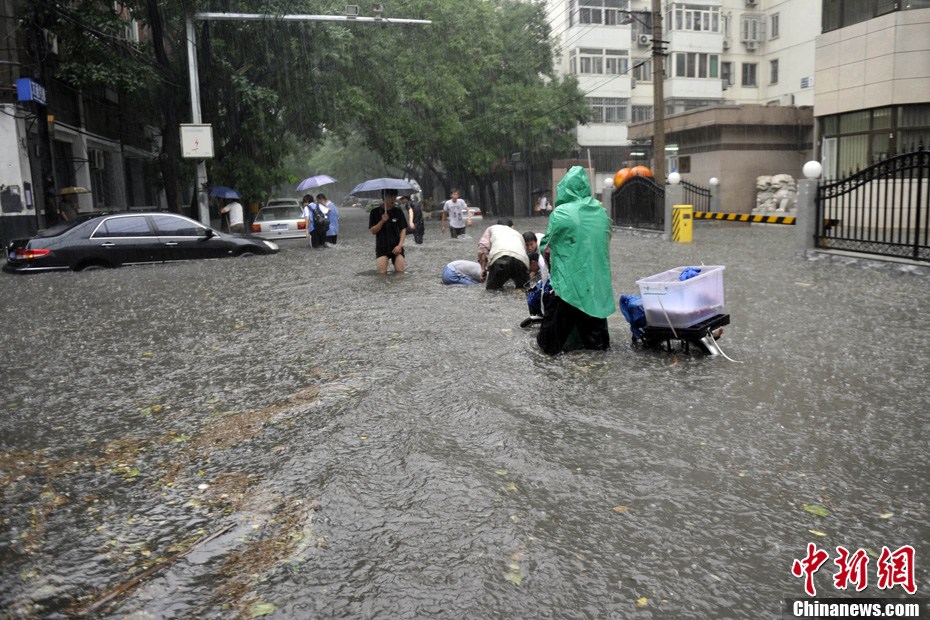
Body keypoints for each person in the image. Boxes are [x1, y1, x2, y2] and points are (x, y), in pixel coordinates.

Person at [537, 166, 616, 355]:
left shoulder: (561, 213)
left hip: (568, 288)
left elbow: (547, 246)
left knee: (548, 348)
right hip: (596, 287)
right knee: (598, 349)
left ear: (565, 188)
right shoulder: (601, 213)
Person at [477, 217, 530, 290]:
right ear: (512, 227)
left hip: (501, 259)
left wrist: (483, 269)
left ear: (497, 225)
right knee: (524, 290)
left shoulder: (492, 228)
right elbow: (524, 252)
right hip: (521, 262)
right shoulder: (518, 234)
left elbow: (483, 248)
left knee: (492, 291)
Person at [368, 189, 407, 274]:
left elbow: (403, 229)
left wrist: (400, 246)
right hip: (382, 247)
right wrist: (382, 221)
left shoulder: (398, 211)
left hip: (396, 247)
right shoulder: (374, 212)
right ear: (384, 197)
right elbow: (373, 231)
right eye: (390, 197)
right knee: (382, 273)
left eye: (394, 197)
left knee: (400, 272)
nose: (393, 199)